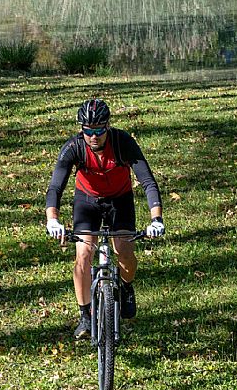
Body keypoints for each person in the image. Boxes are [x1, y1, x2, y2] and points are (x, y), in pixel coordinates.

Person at [45, 98, 164, 339]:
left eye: (99, 130)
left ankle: (126, 287)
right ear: (82, 130)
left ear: (107, 127)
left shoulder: (123, 143)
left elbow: (148, 181)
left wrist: (156, 219)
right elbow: (55, 187)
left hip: (119, 200)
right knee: (83, 255)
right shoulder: (74, 147)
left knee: (124, 251)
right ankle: (85, 316)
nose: (94, 136)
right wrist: (52, 219)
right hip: (86, 201)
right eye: (88, 131)